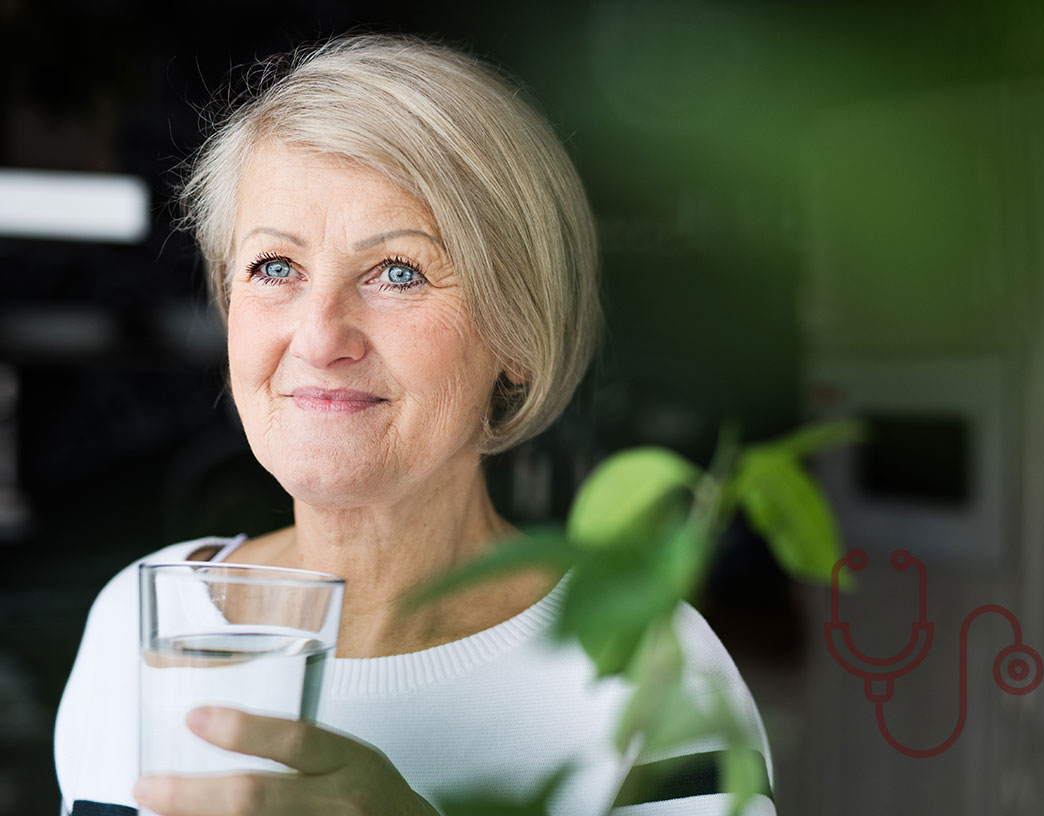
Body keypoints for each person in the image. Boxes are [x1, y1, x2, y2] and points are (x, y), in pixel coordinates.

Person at [54, 34, 776, 816]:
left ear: (518, 337)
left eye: (398, 272)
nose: (321, 337)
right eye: (275, 268)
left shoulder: (653, 665)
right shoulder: (143, 620)